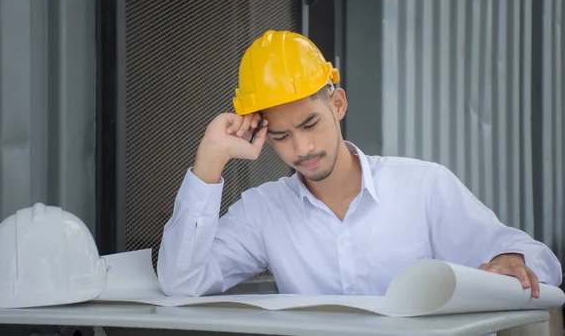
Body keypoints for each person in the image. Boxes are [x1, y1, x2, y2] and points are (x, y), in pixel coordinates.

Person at [157, 30, 562, 298]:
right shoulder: (262, 212)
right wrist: (209, 160)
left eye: (310, 123)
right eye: (280, 136)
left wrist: (513, 261)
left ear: (337, 104)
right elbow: (181, 282)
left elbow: (540, 262)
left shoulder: (423, 187)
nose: (301, 148)